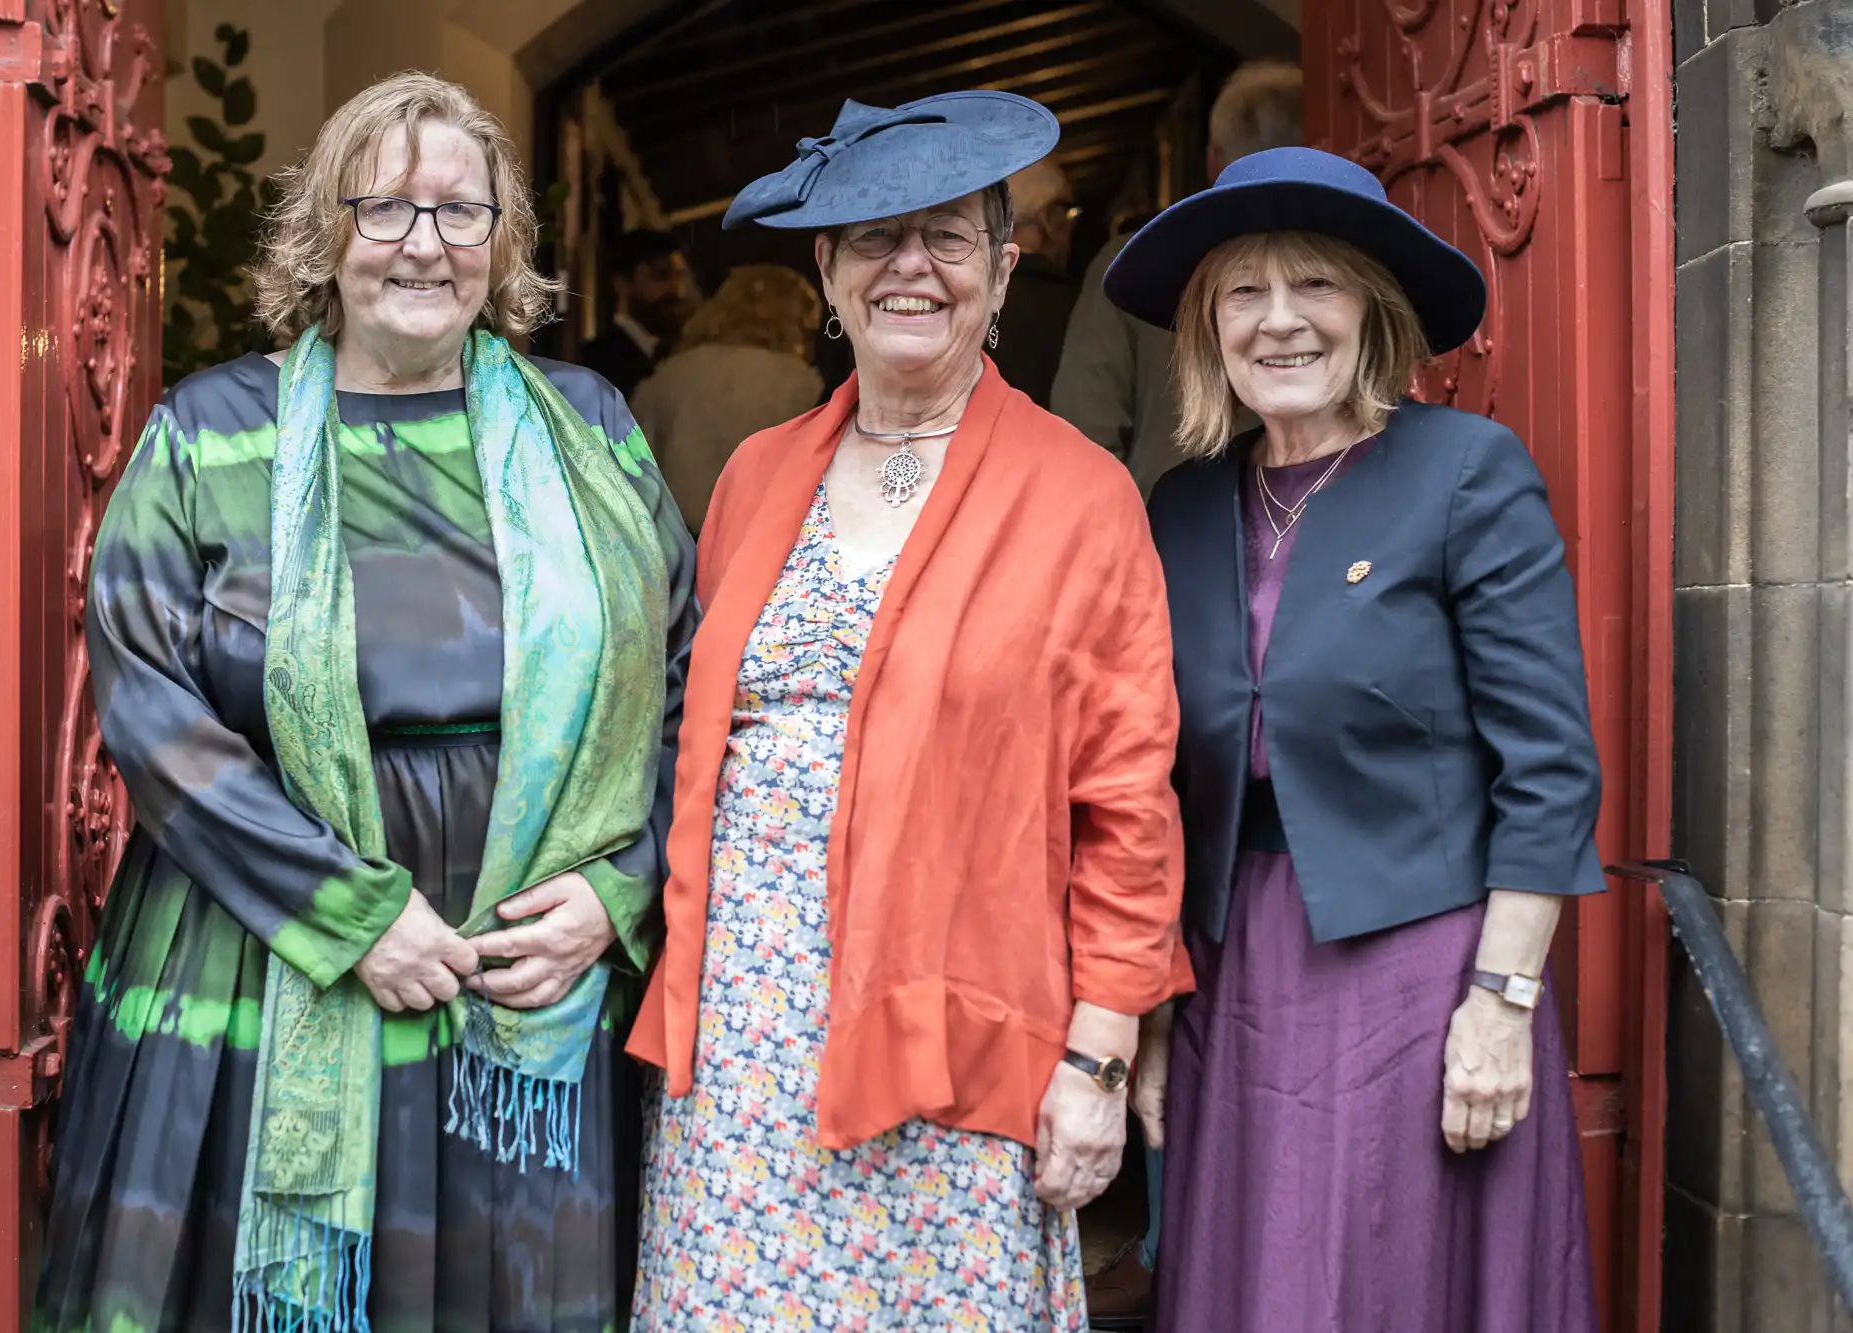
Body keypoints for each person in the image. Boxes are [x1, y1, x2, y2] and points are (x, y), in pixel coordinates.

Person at [32, 73, 695, 1333]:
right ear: (322, 238)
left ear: (500, 244)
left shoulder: (592, 431)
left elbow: (682, 683)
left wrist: (618, 896)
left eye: (459, 211)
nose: (422, 243)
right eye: (383, 206)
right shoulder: (205, 436)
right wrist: (348, 916)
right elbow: (149, 704)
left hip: (524, 979)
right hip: (262, 957)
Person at [627, 91, 1192, 1331]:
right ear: (824, 272)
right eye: (874, 237)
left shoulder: (1079, 495)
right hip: (742, 1036)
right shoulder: (757, 471)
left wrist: (1099, 1059)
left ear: (1000, 271)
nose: (910, 267)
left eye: (946, 235)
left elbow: (1127, 802)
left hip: (954, 1023)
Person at [1105, 146, 1602, 1333]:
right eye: (1242, 293)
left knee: (1386, 1281)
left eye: (1313, 286)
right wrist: (1154, 1001)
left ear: (1370, 313)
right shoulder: (1178, 504)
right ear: (1205, 326)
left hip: (1420, 971)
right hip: (1235, 973)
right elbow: (1149, 771)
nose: (1278, 322)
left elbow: (1548, 767)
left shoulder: (1465, 472)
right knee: (1253, 1282)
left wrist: (1498, 998)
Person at [1052, 60, 1303, 497]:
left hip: (1159, 542)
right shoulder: (1346, 267)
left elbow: (1083, 434)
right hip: (1322, 525)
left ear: (1211, 159)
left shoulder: (1130, 263)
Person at [631, 263, 825, 533]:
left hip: (674, 545)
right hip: (758, 542)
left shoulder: (668, 375)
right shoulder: (800, 383)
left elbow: (634, 474)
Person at [987, 158, 1082, 402]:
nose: (1072, 225)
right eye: (1068, 210)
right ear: (1046, 217)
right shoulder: (1076, 306)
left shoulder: (969, 297)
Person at [580, 228, 694, 399]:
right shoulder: (596, 364)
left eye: (679, 277)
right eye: (660, 276)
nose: (676, 290)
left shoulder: (679, 354)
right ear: (622, 283)